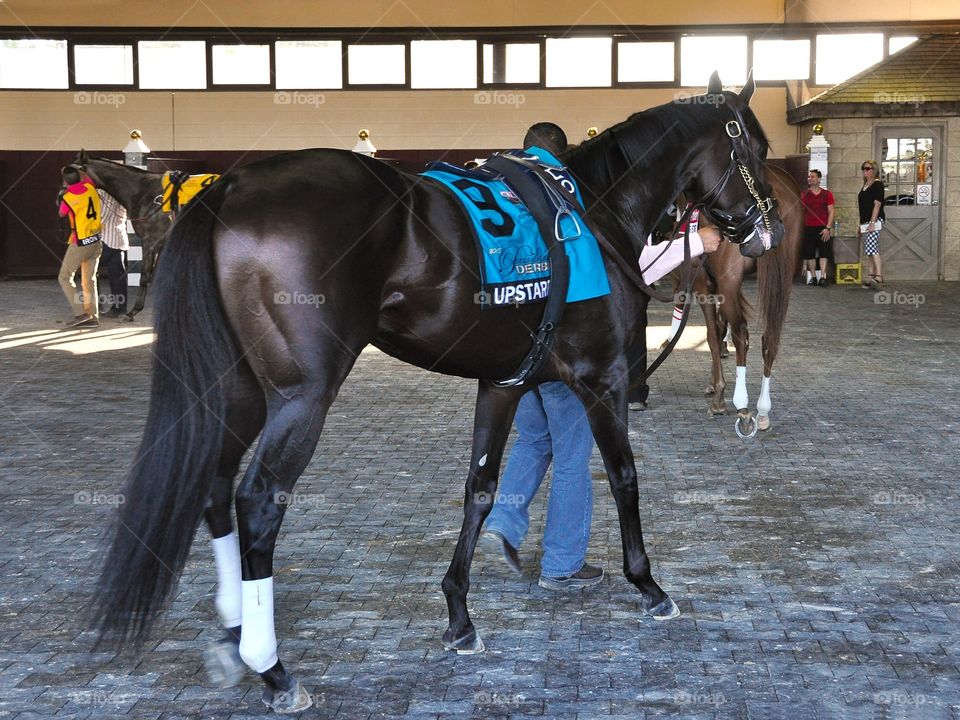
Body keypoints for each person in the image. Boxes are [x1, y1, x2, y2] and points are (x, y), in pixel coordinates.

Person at [481, 123, 720, 590]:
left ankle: (503, 522)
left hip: (516, 344)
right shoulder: (568, 199)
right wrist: (693, 243)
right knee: (573, 454)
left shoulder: (503, 192)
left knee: (533, 440)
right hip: (565, 348)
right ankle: (563, 564)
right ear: (564, 158)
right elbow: (634, 271)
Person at [57, 166, 103, 328]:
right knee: (89, 279)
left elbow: (62, 213)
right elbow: (86, 177)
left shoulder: (68, 198)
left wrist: (66, 189)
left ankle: (81, 314)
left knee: (64, 277)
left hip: (81, 241)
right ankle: (92, 316)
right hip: (96, 240)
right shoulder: (90, 187)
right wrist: (76, 171)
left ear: (65, 181)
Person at [800, 169, 835, 287]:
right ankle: (814, 277)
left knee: (824, 253)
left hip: (822, 228)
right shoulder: (804, 195)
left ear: (819, 179)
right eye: (809, 177)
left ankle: (823, 277)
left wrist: (828, 228)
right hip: (808, 227)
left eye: (813, 177)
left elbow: (831, 211)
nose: (810, 178)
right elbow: (801, 211)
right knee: (809, 253)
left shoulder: (827, 194)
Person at [97, 190, 129, 318]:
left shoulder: (104, 193)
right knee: (118, 276)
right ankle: (119, 308)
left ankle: (95, 306)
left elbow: (101, 217)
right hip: (119, 238)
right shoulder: (121, 193)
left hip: (106, 239)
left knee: (90, 272)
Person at [858, 159, 885, 288]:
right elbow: (862, 207)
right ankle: (871, 275)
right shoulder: (865, 185)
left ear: (874, 170)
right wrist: (860, 224)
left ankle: (879, 276)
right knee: (868, 249)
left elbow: (877, 204)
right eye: (863, 168)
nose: (865, 170)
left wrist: (872, 222)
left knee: (872, 247)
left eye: (868, 168)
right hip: (865, 222)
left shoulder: (877, 184)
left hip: (874, 220)